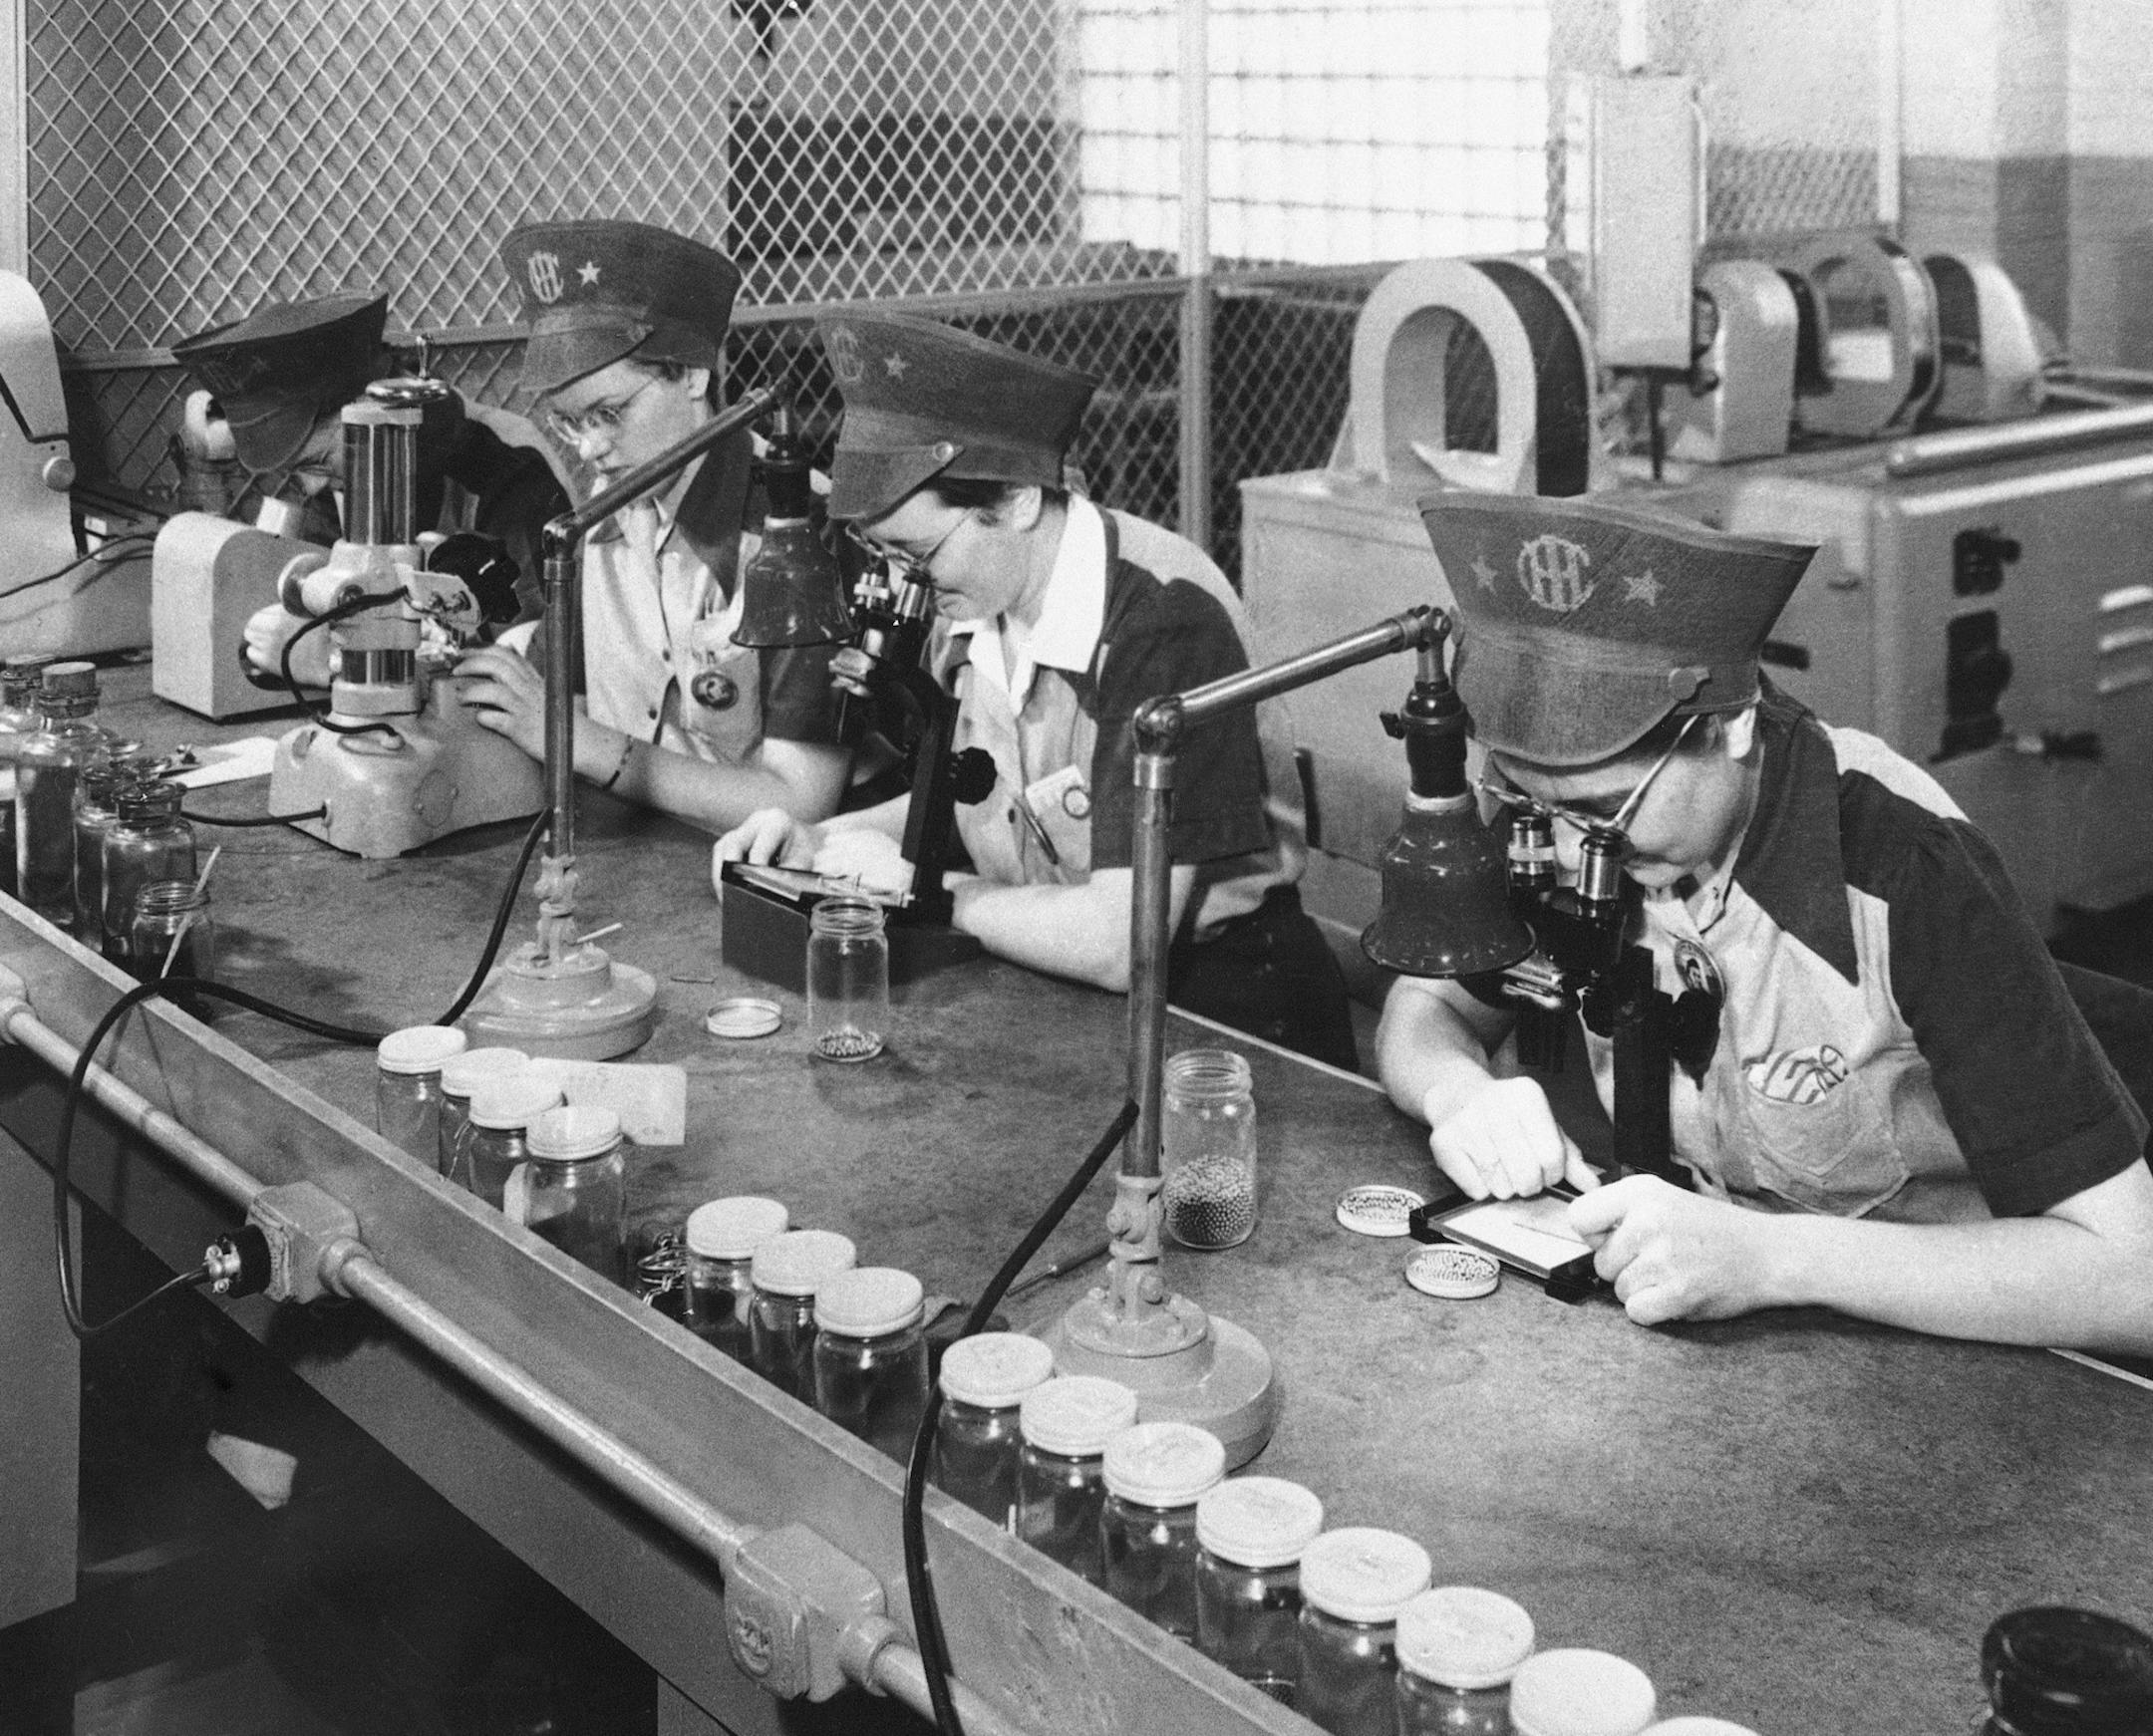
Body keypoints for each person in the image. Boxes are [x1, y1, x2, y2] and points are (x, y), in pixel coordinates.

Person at [1376, 491, 2153, 1354]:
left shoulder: (1908, 868)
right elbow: (1427, 1009)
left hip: (1949, 1342)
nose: (1564, 851)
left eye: (1603, 812)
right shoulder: (1555, 813)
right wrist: (1461, 1094)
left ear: (1732, 729)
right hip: (1719, 1323)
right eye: (1529, 803)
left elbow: (2133, 1278)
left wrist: (1770, 1259)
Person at [715, 310, 1358, 1069]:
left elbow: (1124, 944)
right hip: (1056, 989)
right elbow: (987, 798)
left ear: (1017, 499)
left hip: (1224, 1021)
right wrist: (822, 846)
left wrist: (926, 893)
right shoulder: (979, 601)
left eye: (917, 556)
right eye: (883, 556)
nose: (904, 584)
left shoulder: (1162, 625)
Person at [451, 219, 852, 833]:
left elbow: (802, 801)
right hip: (629, 854)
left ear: (692, 374)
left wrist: (578, 741)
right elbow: (552, 699)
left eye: (608, 413)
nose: (590, 450)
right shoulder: (599, 520)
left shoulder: (799, 530)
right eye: (569, 423)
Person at [177, 293, 571, 662]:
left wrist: (324, 661)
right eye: (295, 473)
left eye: (314, 462)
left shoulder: (507, 468)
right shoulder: (348, 470)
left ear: (372, 412)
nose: (312, 488)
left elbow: (538, 659)